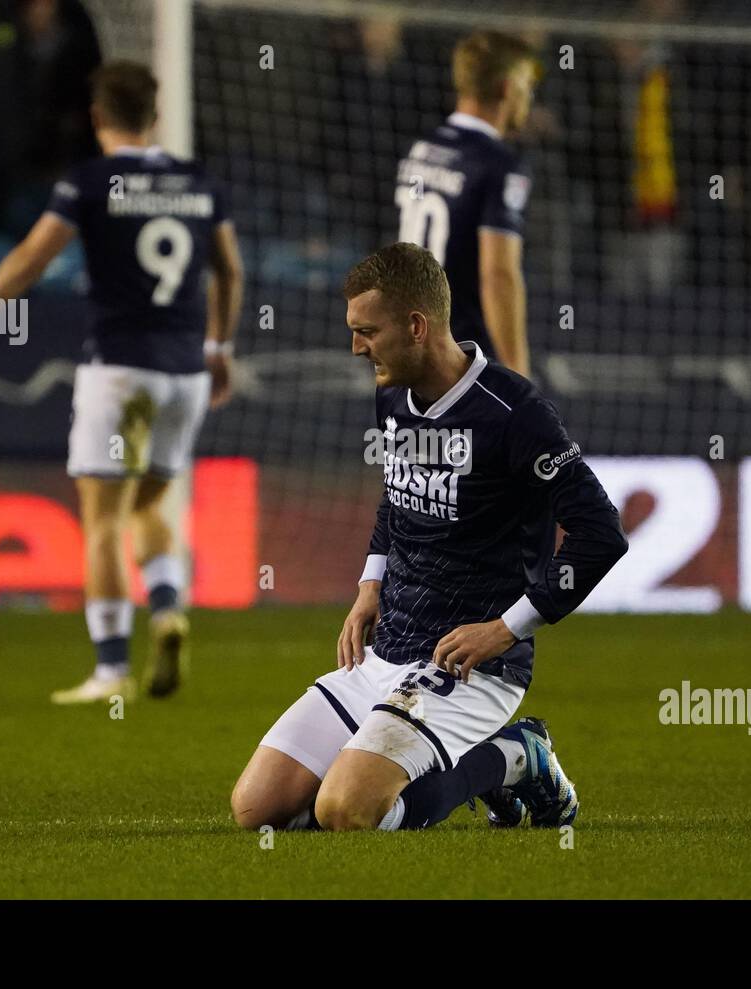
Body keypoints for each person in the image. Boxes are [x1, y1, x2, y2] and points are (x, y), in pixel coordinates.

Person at [231, 243, 628, 831]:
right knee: (256, 811)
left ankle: (515, 756)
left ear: (416, 326)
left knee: (345, 811)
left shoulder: (514, 412)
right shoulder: (392, 390)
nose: (356, 347)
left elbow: (602, 534)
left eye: (367, 331)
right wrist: (371, 584)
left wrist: (507, 628)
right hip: (386, 651)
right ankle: (413, 757)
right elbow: (396, 492)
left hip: (469, 668)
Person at [0, 61, 244, 704]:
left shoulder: (90, 182)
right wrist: (219, 347)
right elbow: (230, 271)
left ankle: (109, 669)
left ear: (98, 118)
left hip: (120, 374)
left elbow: (31, 258)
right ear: (155, 117)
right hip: (183, 373)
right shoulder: (197, 183)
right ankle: (167, 610)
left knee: (103, 521)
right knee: (153, 505)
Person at [394, 32, 539, 376]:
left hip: (412, 350)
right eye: (527, 86)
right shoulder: (499, 165)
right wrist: (518, 376)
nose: (529, 97)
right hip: (465, 361)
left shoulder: (421, 150)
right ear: (507, 88)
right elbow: (499, 275)